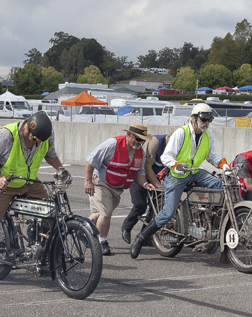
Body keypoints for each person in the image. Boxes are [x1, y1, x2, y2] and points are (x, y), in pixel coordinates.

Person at [0, 112, 68, 286]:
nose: (36, 144)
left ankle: (42, 249)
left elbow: (50, 154)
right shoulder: (6, 135)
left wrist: (62, 170)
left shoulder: (46, 135)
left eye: (39, 141)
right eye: (33, 140)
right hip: (3, 184)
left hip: (28, 182)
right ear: (26, 127)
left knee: (52, 210)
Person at [130, 103, 227, 258]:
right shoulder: (181, 133)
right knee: (168, 213)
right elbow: (166, 157)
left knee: (221, 184)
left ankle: (207, 218)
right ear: (194, 119)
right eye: (204, 119)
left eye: (209, 120)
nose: (206, 123)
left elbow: (213, 156)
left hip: (195, 172)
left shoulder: (209, 135)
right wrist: (176, 165)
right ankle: (140, 239)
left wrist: (224, 166)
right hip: (178, 175)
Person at [85, 123, 155, 255]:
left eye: (142, 140)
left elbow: (139, 173)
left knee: (99, 214)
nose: (140, 142)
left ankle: (83, 228)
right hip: (101, 183)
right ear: (129, 135)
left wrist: (145, 184)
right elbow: (91, 160)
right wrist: (88, 181)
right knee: (106, 213)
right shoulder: (112, 144)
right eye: (138, 139)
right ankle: (102, 242)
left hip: (117, 188)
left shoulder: (141, 152)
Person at [120, 133, 168, 244]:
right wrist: (157, 184)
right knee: (140, 205)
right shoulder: (156, 142)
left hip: (155, 178)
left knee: (156, 207)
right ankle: (126, 227)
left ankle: (145, 235)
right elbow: (147, 167)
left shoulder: (177, 147)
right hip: (139, 176)